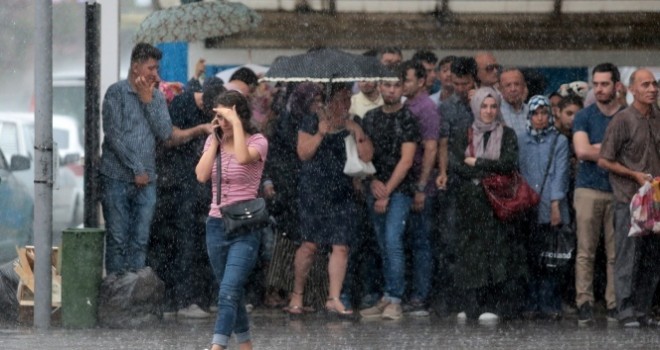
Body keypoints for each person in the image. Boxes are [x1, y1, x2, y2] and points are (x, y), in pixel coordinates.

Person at [100, 42, 212, 275]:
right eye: (150, 68)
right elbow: (114, 137)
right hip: (118, 178)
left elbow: (164, 133)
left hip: (147, 181)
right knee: (118, 238)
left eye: (156, 68)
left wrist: (148, 100)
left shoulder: (157, 98)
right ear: (135, 67)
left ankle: (135, 294)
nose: (156, 74)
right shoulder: (116, 93)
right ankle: (117, 291)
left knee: (140, 240)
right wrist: (136, 168)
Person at [285, 83, 373, 316]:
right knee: (310, 245)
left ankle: (333, 298)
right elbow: (303, 153)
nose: (347, 104)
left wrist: (357, 131)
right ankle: (297, 295)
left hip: (342, 190)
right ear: (330, 100)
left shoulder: (353, 123)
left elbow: (367, 157)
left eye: (348, 99)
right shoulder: (312, 120)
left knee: (341, 245)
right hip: (314, 190)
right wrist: (321, 132)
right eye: (342, 99)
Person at [195, 90, 268, 350]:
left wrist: (235, 124)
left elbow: (242, 157)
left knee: (228, 290)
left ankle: (217, 346)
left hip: (245, 226)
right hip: (216, 225)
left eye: (226, 116)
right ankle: (245, 343)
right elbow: (201, 175)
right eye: (218, 116)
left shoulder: (257, 141)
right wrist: (214, 141)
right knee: (231, 292)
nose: (221, 122)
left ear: (239, 114)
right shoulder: (213, 141)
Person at [149, 77, 226, 319]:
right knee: (182, 241)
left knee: (197, 242)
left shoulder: (212, 110)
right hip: (176, 184)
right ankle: (180, 299)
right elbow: (169, 137)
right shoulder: (182, 104)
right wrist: (199, 130)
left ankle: (197, 296)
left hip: (197, 184)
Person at [449, 87, 526, 324]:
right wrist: (486, 167)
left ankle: (494, 304)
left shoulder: (507, 134)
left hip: (496, 203)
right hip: (470, 204)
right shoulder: (465, 133)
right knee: (471, 253)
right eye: (484, 106)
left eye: (493, 106)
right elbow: (456, 165)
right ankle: (472, 304)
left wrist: (477, 162)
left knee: (497, 252)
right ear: (476, 107)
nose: (489, 111)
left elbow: (507, 164)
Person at [598, 68, 660, 328]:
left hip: (655, 200)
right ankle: (625, 308)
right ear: (632, 89)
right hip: (629, 199)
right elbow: (603, 159)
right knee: (628, 255)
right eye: (645, 85)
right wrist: (633, 174)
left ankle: (644, 309)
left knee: (652, 257)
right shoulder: (622, 120)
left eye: (654, 85)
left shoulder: (658, 118)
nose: (652, 89)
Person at [359, 75, 420, 320]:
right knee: (383, 244)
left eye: (396, 86)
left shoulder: (408, 118)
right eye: (387, 85)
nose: (391, 90)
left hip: (401, 189)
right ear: (380, 86)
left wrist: (387, 190)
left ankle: (396, 297)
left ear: (403, 88)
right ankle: (386, 295)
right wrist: (373, 181)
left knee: (394, 241)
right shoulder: (370, 118)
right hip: (374, 185)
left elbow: (406, 161)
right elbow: (363, 155)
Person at [572, 63, 624, 325]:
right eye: (596, 84)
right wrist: (613, 152)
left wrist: (599, 149)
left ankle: (615, 303)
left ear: (617, 85)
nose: (599, 89)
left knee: (617, 253)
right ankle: (584, 302)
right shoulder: (584, 116)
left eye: (605, 84)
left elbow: (634, 155)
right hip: (588, 189)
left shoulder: (627, 116)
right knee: (586, 251)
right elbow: (581, 151)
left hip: (620, 190)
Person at [518, 95, 570, 320]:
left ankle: (549, 304)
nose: (540, 118)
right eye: (535, 114)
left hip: (551, 205)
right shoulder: (521, 140)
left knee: (552, 258)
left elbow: (560, 174)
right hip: (528, 207)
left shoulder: (559, 141)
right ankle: (532, 302)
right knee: (531, 257)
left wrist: (556, 204)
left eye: (543, 113)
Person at [433, 56, 477, 317]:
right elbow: (443, 141)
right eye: (457, 83)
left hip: (480, 177)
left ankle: (477, 296)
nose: (461, 88)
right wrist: (443, 171)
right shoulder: (447, 107)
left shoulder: (487, 102)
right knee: (450, 239)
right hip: (456, 176)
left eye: (466, 83)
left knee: (476, 240)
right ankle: (453, 296)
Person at [400, 60, 440, 317]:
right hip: (407, 182)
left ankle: (421, 295)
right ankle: (413, 292)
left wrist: (422, 186)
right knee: (411, 242)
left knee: (422, 242)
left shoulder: (426, 108)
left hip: (420, 184)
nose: (403, 85)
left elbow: (431, 148)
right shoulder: (408, 105)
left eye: (407, 80)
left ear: (422, 81)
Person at [499, 68, 529, 136]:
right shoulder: (496, 113)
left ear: (524, 86)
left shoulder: (531, 112)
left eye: (517, 84)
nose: (513, 89)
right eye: (508, 85)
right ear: (501, 89)